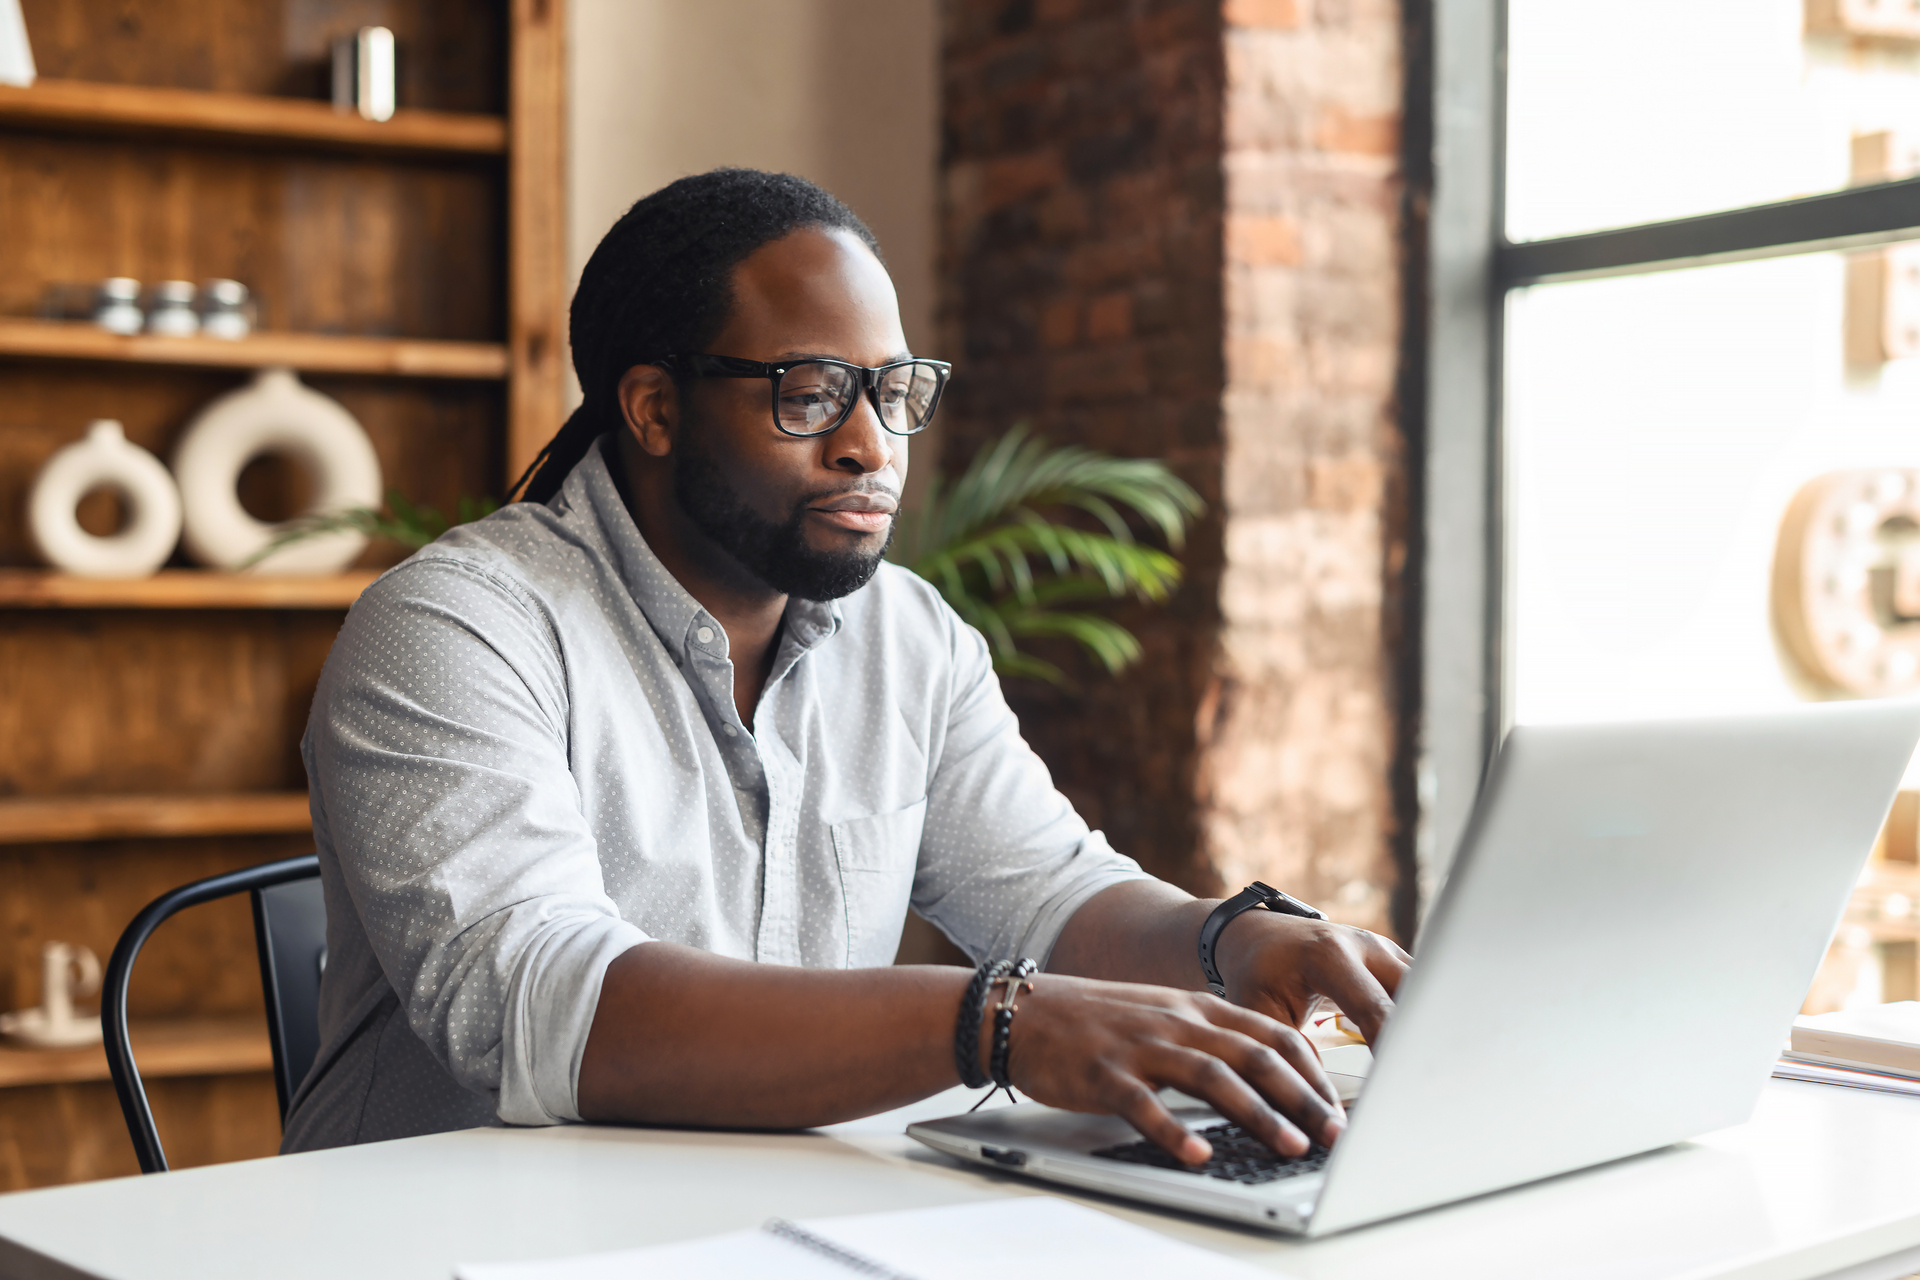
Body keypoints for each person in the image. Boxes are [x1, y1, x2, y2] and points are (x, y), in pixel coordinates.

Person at [283, 168, 1409, 1167]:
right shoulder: (454, 627)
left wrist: (1230, 938)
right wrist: (995, 1023)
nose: (872, 442)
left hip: (758, 1227)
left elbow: (1053, 895)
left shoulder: (907, 636)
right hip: (446, 1237)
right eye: (812, 391)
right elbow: (542, 1009)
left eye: (895, 391)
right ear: (655, 408)